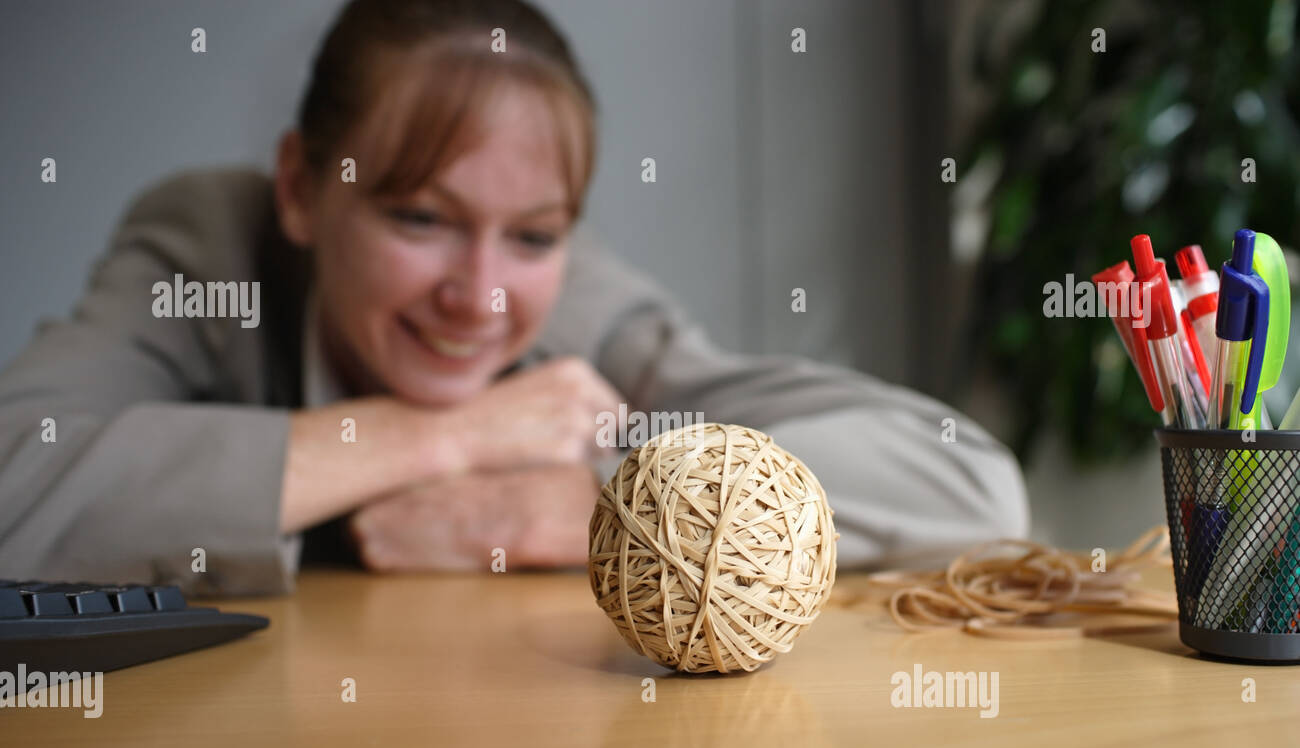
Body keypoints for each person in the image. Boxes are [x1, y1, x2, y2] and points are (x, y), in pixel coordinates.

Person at [0, 0, 1029, 596]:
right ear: (302, 189)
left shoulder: (585, 310)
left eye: (535, 235)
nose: (480, 296)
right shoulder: (212, 243)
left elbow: (969, 485)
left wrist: (604, 502)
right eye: (418, 218)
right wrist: (434, 436)